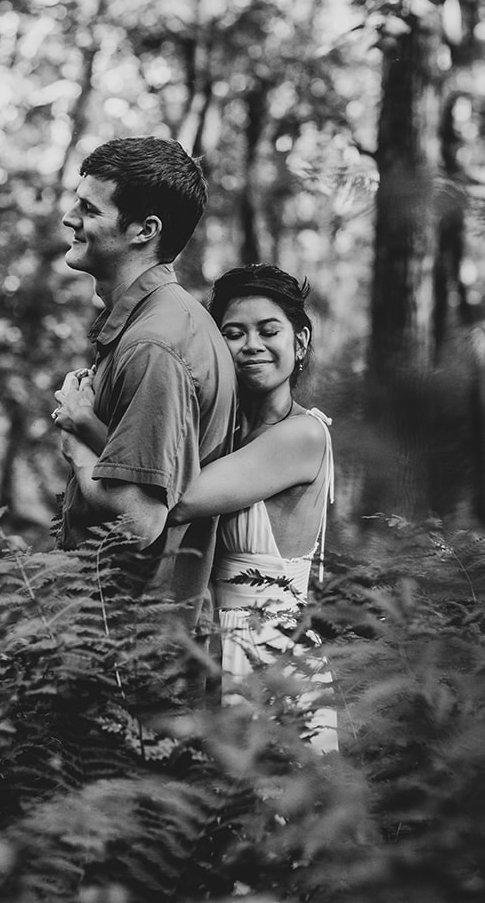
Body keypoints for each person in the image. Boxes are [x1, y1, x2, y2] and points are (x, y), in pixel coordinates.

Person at [58, 264, 338, 753]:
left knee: (273, 813)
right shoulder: (223, 439)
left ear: (300, 343)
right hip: (209, 644)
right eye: (233, 333)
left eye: (268, 331)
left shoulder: (303, 436)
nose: (251, 344)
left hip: (268, 649)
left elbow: (177, 499)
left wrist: (84, 433)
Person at [53, 136, 236, 633]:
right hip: (121, 638)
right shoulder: (149, 325)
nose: (70, 218)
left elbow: (138, 524)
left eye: (89, 209)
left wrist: (75, 443)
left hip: (138, 647)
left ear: (144, 230)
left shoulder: (155, 345)